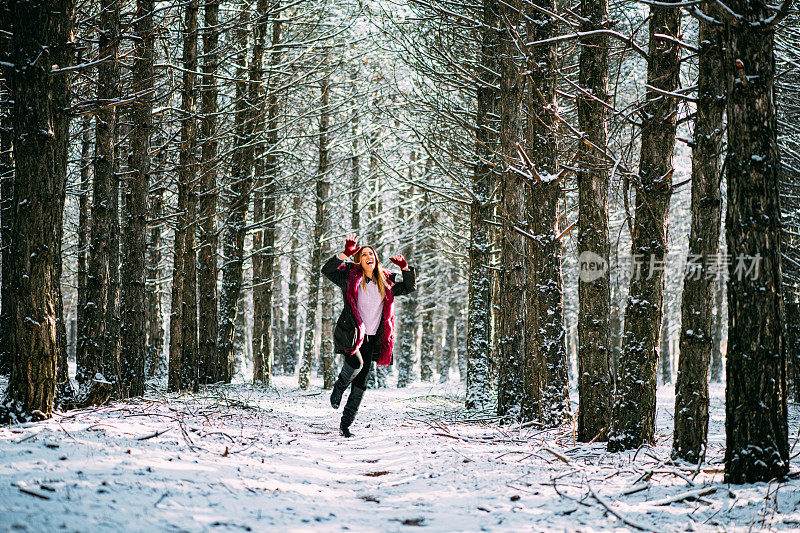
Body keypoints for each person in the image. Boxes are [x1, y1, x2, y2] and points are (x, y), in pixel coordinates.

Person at [321, 234, 417, 437]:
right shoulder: (349, 277)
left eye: (370, 253)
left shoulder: (386, 282)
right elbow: (326, 270)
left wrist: (405, 268)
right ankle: (338, 388)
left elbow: (409, 287)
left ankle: (345, 425)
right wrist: (345, 253)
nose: (368, 256)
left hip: (373, 337)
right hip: (353, 334)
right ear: (359, 260)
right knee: (356, 364)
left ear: (375, 258)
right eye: (363, 254)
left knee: (361, 383)